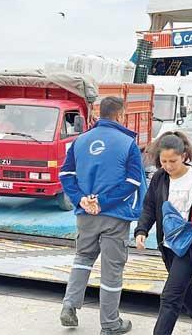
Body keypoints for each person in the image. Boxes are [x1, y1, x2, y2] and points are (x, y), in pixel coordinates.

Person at [59, 96, 145, 335]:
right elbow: (133, 181)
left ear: (100, 113)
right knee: (111, 269)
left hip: (85, 214)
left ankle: (69, 306)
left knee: (82, 259)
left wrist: (81, 199)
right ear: (120, 115)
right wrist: (104, 202)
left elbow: (65, 175)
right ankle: (110, 324)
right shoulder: (128, 143)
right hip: (114, 216)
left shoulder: (80, 141)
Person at [133, 132, 192, 335]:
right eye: (163, 161)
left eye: (173, 161)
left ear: (184, 156)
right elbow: (150, 205)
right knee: (182, 286)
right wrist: (142, 229)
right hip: (167, 244)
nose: (168, 166)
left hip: (191, 245)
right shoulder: (160, 177)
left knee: (171, 295)